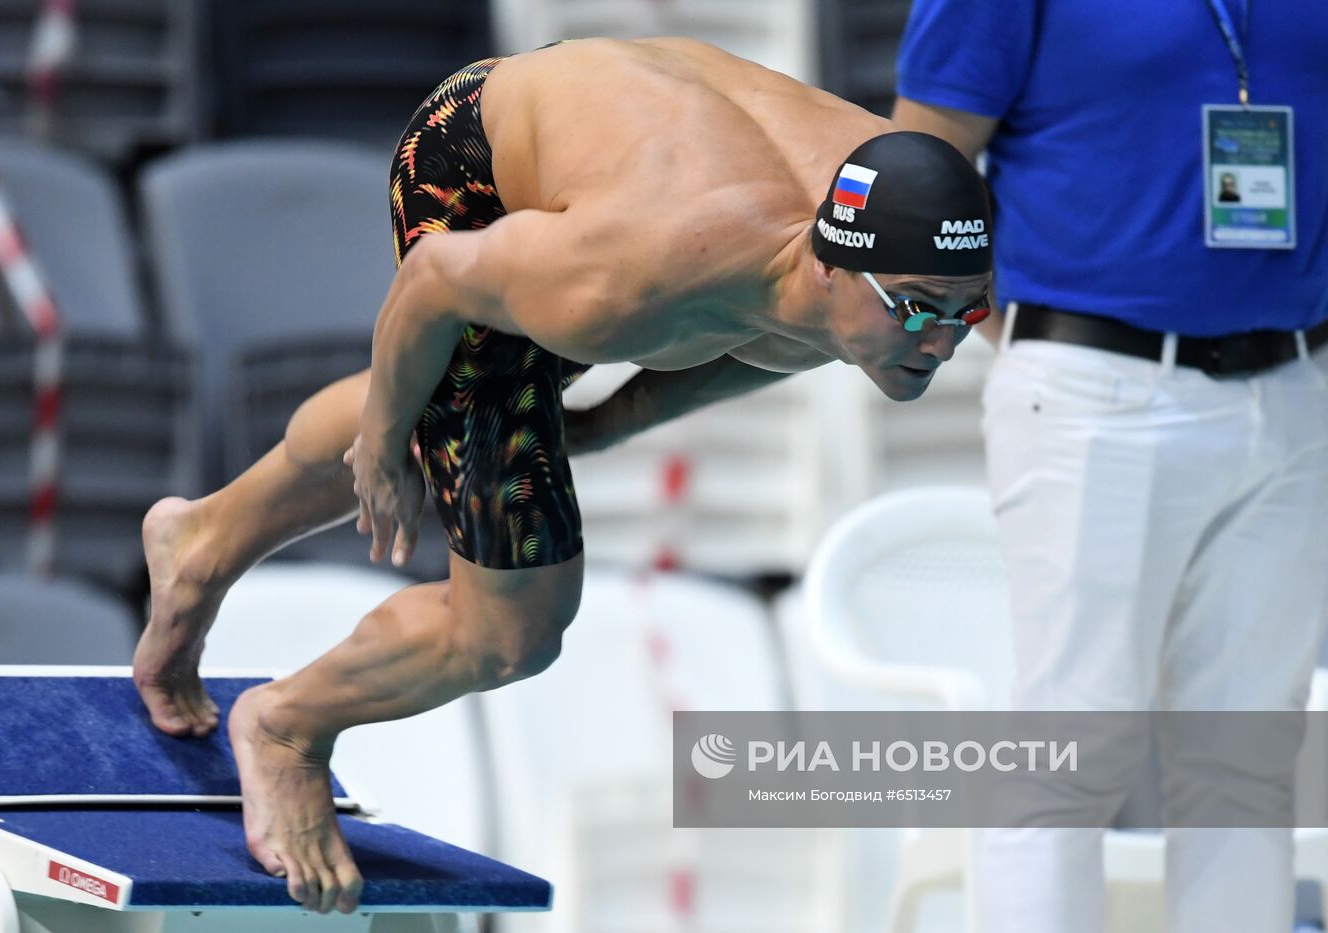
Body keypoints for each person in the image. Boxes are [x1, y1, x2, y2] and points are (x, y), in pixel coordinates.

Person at [133, 37, 994, 916]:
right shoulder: (631, 273)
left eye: (969, 309)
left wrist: (621, 419)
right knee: (511, 628)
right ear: (826, 264)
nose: (943, 341)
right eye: (920, 309)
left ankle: (201, 538)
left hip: (624, 157)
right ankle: (287, 724)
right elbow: (435, 282)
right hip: (473, 171)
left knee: (499, 405)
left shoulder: (874, 258)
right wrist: (388, 444)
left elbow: (783, 334)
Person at [893, 1, 1328, 931]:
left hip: (1296, 392)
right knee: (1070, 761)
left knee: (1248, 765)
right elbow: (920, 173)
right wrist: (1052, 349)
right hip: (1096, 388)